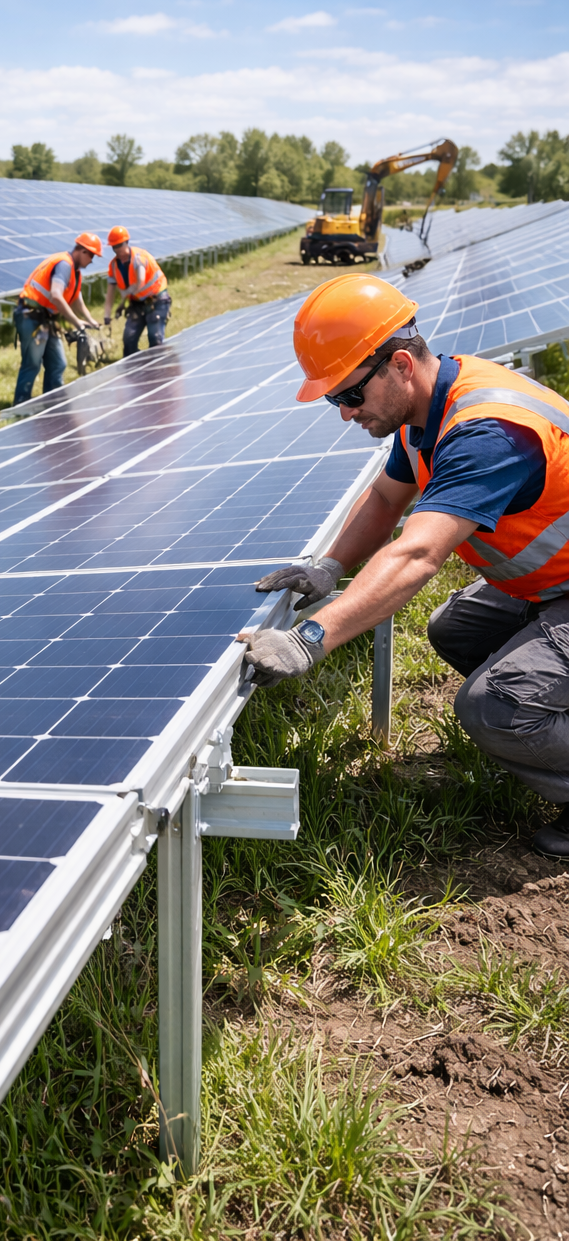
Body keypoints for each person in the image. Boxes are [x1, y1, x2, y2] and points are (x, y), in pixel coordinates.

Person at [241, 273, 569, 857]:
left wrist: (310, 638)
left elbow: (417, 554)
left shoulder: (487, 431)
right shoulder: (426, 410)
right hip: (552, 585)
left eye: (349, 396)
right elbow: (386, 498)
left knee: (493, 707)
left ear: (399, 364)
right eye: (334, 400)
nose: (345, 414)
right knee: (455, 628)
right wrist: (329, 567)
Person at [12, 234, 103, 405]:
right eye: (91, 255)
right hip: (31, 316)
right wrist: (76, 322)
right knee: (32, 363)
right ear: (82, 251)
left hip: (46, 320)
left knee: (58, 364)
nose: (92, 260)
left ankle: (53, 403)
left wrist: (90, 320)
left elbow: (76, 300)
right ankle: (20, 406)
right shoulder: (64, 265)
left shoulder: (75, 272)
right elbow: (56, 295)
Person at [103, 227, 171, 356]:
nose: (117, 250)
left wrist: (126, 293)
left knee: (155, 338)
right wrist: (109, 313)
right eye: (114, 247)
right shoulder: (114, 266)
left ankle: (159, 364)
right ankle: (138, 367)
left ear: (126, 242)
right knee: (129, 339)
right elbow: (110, 292)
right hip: (137, 304)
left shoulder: (139, 257)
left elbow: (140, 281)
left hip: (157, 300)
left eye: (119, 245)